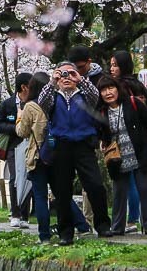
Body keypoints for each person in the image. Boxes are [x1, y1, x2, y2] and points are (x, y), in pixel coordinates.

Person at [37, 61, 113, 245]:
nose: (66, 78)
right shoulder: (53, 96)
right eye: (62, 74)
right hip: (61, 146)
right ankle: (66, 232)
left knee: (95, 185)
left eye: (70, 73)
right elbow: (42, 103)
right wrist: (52, 82)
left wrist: (80, 79)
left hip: (84, 145)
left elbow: (96, 97)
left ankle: (102, 225)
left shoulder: (85, 94)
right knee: (62, 191)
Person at [16, 72, 91, 243]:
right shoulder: (58, 103)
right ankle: (82, 225)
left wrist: (19, 117)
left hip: (38, 157)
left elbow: (22, 132)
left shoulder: (31, 106)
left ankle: (44, 236)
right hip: (58, 155)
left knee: (41, 196)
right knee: (62, 194)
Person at [97, 76, 147, 235]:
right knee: (118, 192)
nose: (108, 92)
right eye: (104, 90)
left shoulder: (133, 102)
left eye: (111, 88)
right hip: (117, 157)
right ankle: (117, 227)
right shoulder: (102, 111)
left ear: (117, 89)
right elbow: (100, 132)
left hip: (139, 153)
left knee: (144, 189)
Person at [110, 50, 147, 231]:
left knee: (139, 185)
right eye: (111, 65)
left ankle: (125, 225)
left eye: (115, 64)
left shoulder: (127, 87)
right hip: (122, 143)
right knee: (125, 187)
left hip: (138, 142)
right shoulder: (136, 85)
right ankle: (146, 224)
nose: (112, 68)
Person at [0, 72, 32, 228]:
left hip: (30, 145)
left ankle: (25, 215)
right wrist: (14, 128)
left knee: (28, 178)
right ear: (23, 87)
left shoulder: (33, 102)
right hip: (13, 145)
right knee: (15, 178)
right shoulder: (8, 104)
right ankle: (15, 213)